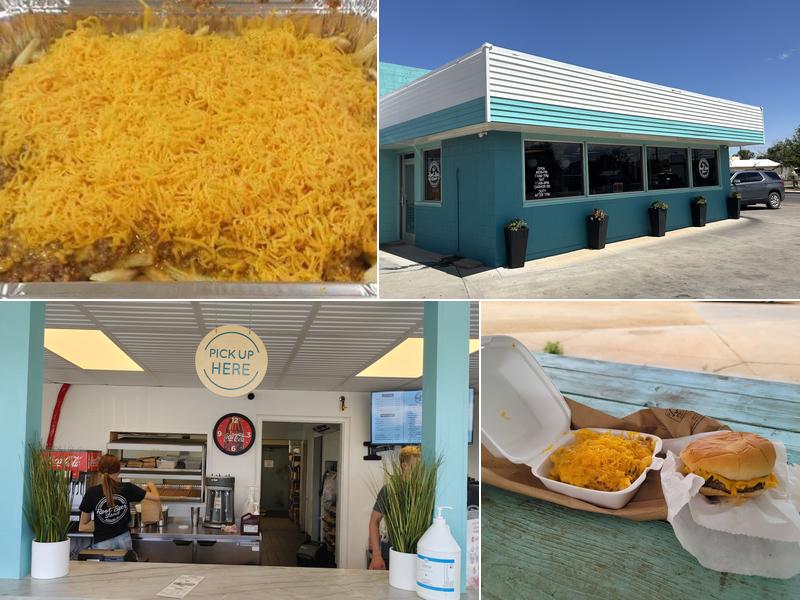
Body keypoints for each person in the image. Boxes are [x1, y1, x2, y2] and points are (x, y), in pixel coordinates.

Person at [78, 454, 160, 550]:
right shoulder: (128, 488)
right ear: (118, 470)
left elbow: (83, 526)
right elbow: (156, 497)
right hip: (124, 539)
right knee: (125, 565)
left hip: (102, 542)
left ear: (99, 470)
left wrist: (102, 523)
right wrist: (151, 485)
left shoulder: (91, 492)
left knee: (105, 566)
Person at [368, 445, 420, 570]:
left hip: (419, 556)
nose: (421, 469)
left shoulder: (424, 491)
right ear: (404, 465)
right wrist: (376, 555)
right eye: (418, 465)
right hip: (392, 553)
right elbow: (374, 522)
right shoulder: (389, 490)